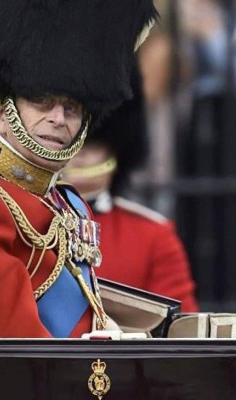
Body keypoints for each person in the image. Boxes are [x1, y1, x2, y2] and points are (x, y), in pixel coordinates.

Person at [0, 0, 158, 338]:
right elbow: (17, 340)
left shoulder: (70, 203)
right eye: (41, 102)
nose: (58, 118)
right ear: (2, 112)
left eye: (71, 107)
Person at [61, 65, 200, 313]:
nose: (77, 157)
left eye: (90, 147)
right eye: (69, 145)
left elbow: (180, 329)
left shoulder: (152, 235)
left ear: (117, 153)